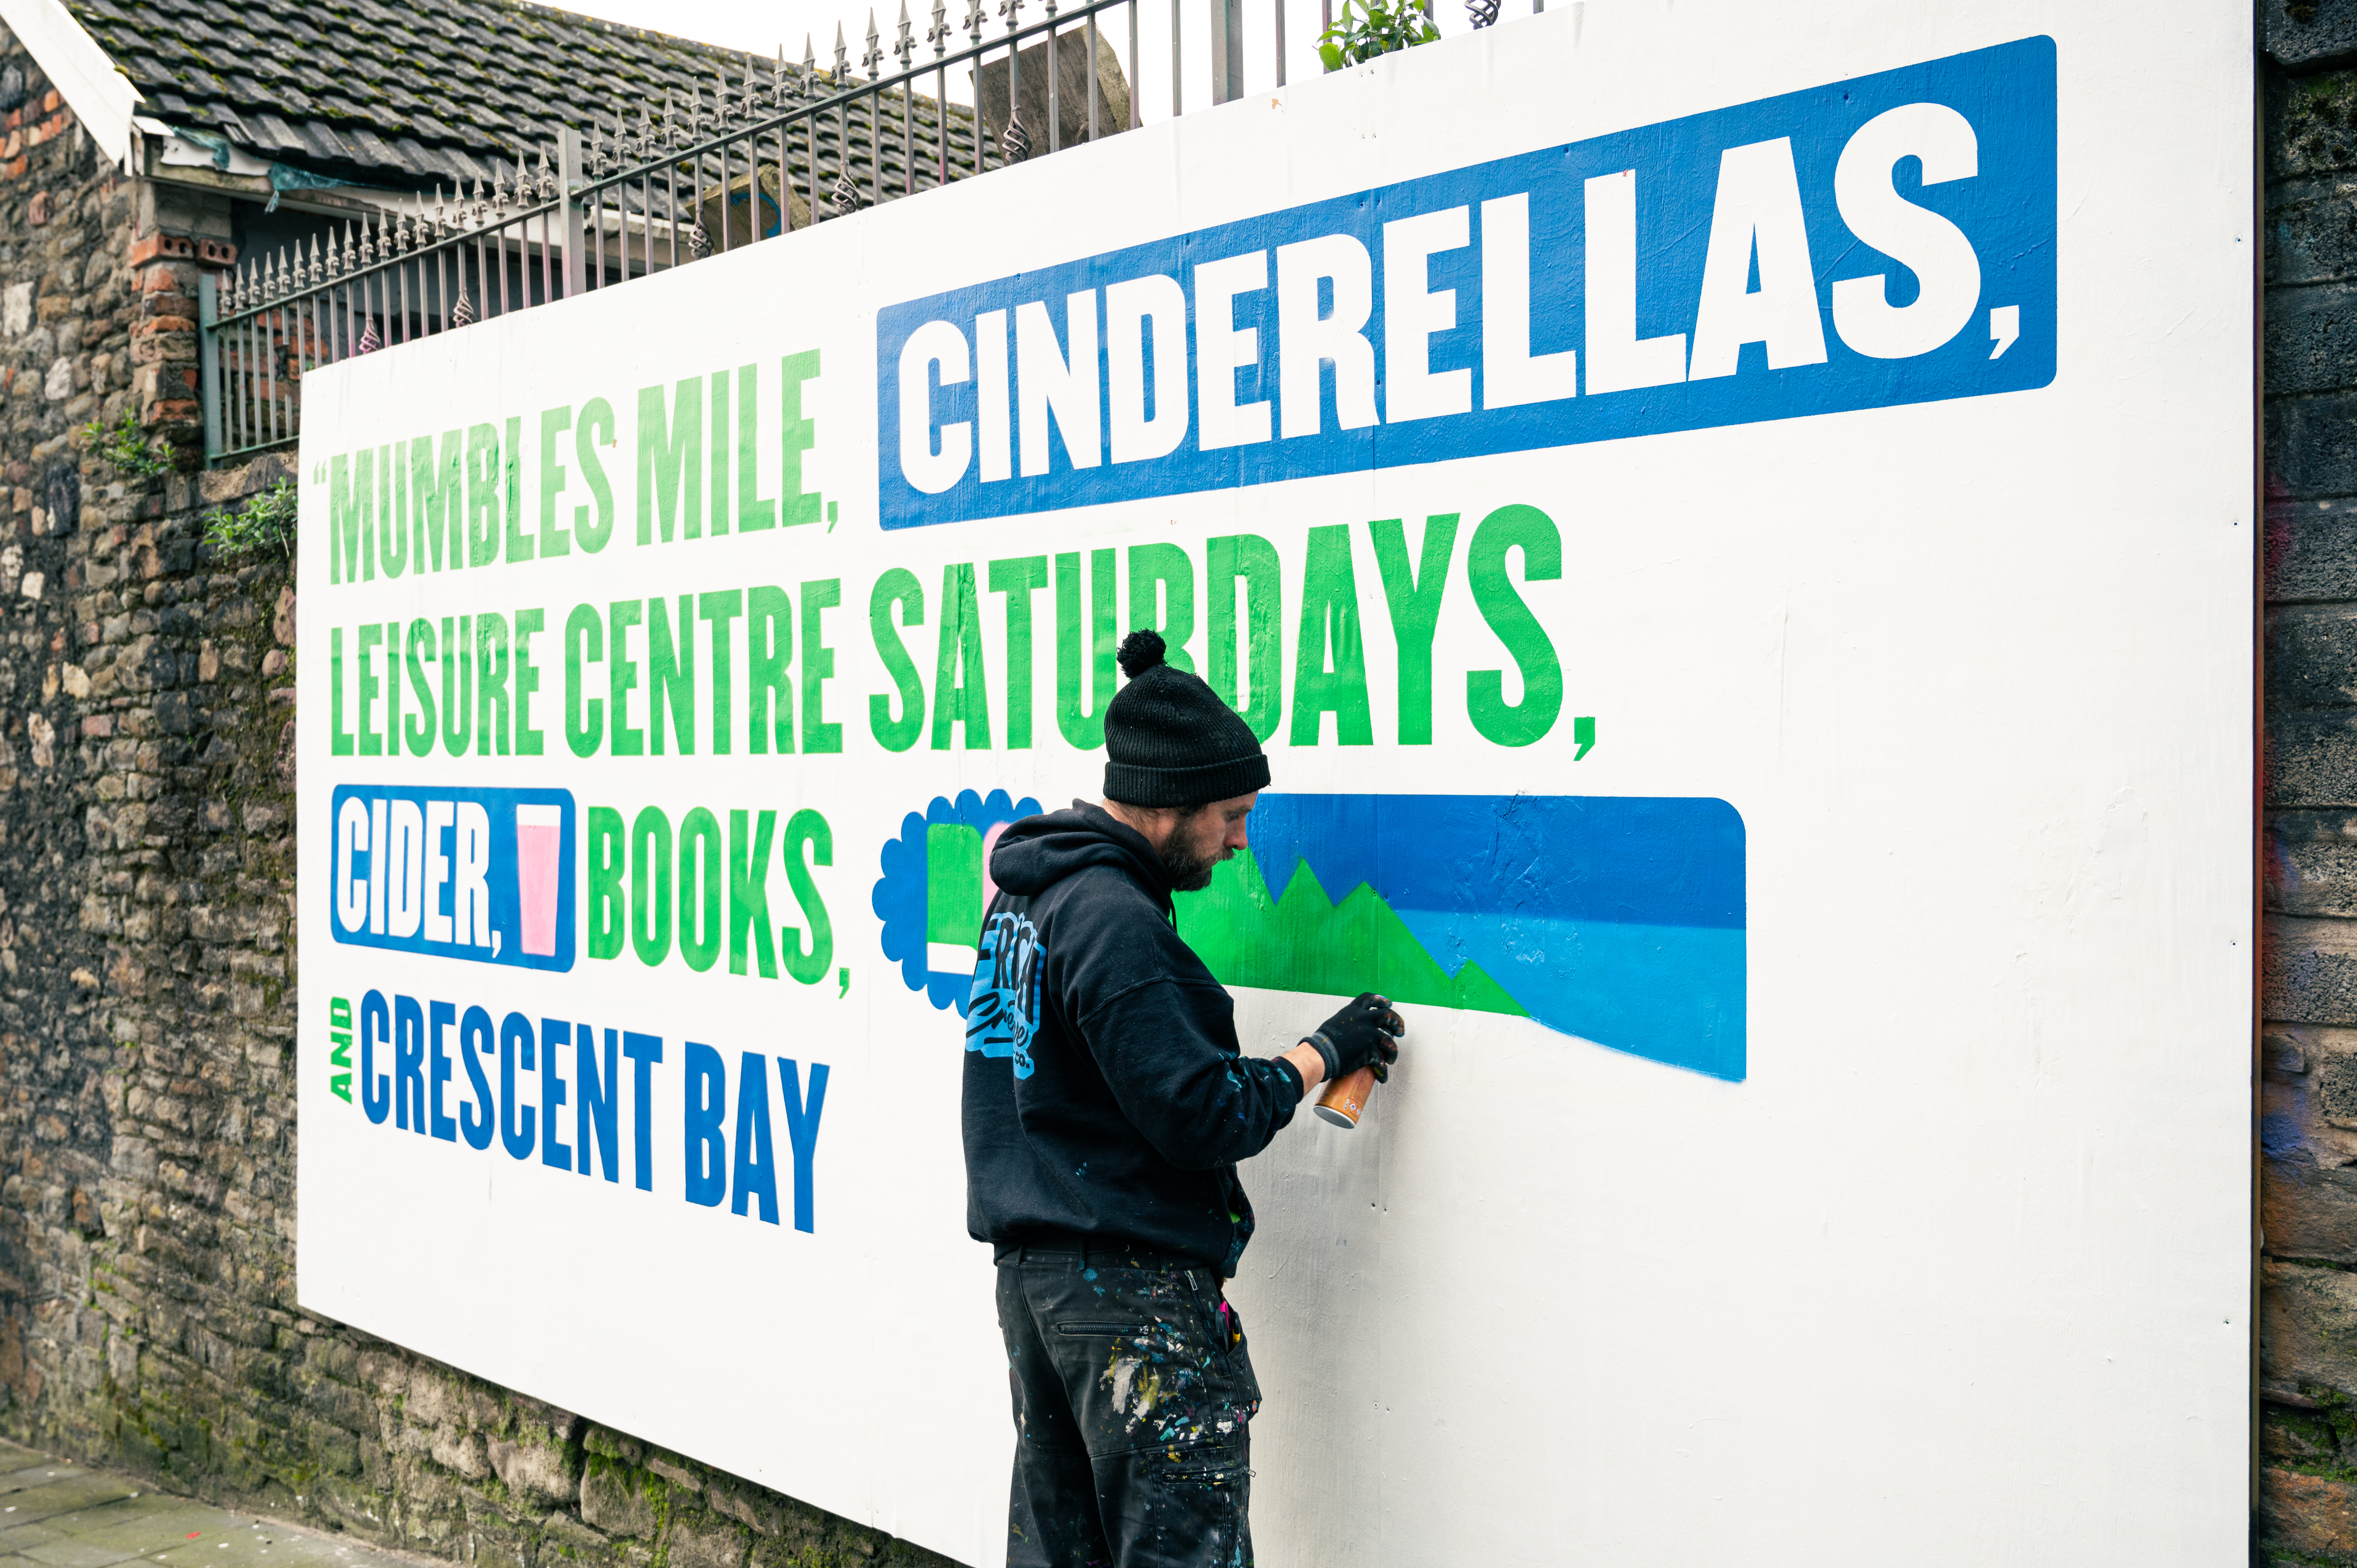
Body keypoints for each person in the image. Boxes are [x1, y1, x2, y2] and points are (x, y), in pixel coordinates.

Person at [962, 627, 1405, 1568]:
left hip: (1039, 1290)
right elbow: (1205, 1113)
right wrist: (1322, 1052)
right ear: (1171, 802)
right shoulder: (1115, 921)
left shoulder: (1028, 902)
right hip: (1129, 1301)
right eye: (1234, 814)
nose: (1242, 840)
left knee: (1064, 1550)